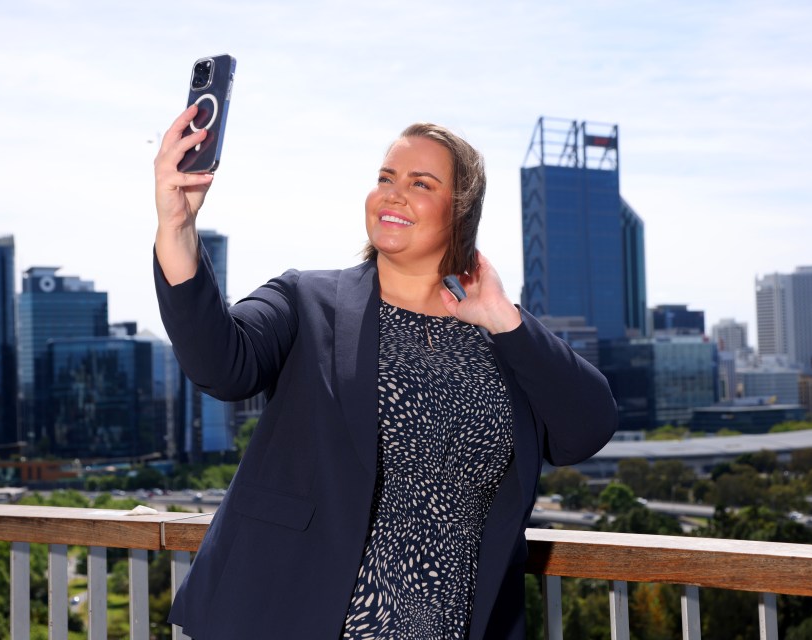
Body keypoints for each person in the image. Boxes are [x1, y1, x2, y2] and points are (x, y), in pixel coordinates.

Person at [153, 103, 619, 639]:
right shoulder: (307, 298)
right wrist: (178, 224)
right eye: (385, 178)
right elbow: (221, 366)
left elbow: (587, 428)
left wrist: (505, 320)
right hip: (296, 619)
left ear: (460, 211)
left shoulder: (503, 338)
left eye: (421, 183)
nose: (393, 193)